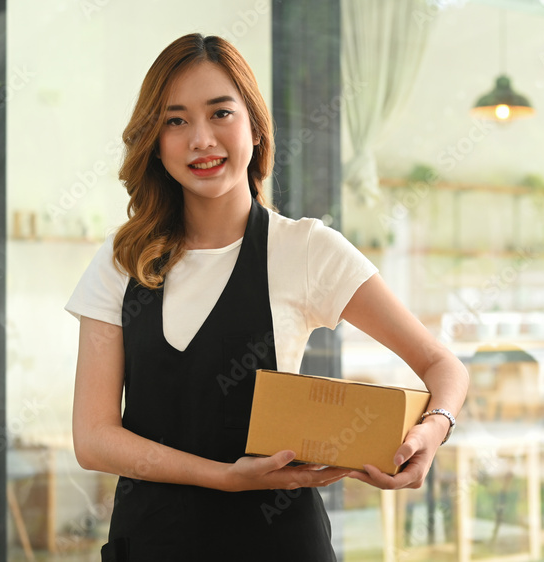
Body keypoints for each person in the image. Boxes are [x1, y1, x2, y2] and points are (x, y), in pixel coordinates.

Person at [67, 33, 469, 561]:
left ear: (255, 127)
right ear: (155, 141)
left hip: (277, 544)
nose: (201, 139)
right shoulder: (124, 259)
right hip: (150, 543)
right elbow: (93, 438)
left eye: (220, 114)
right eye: (176, 120)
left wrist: (433, 431)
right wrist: (223, 477)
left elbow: (442, 364)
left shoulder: (304, 249)